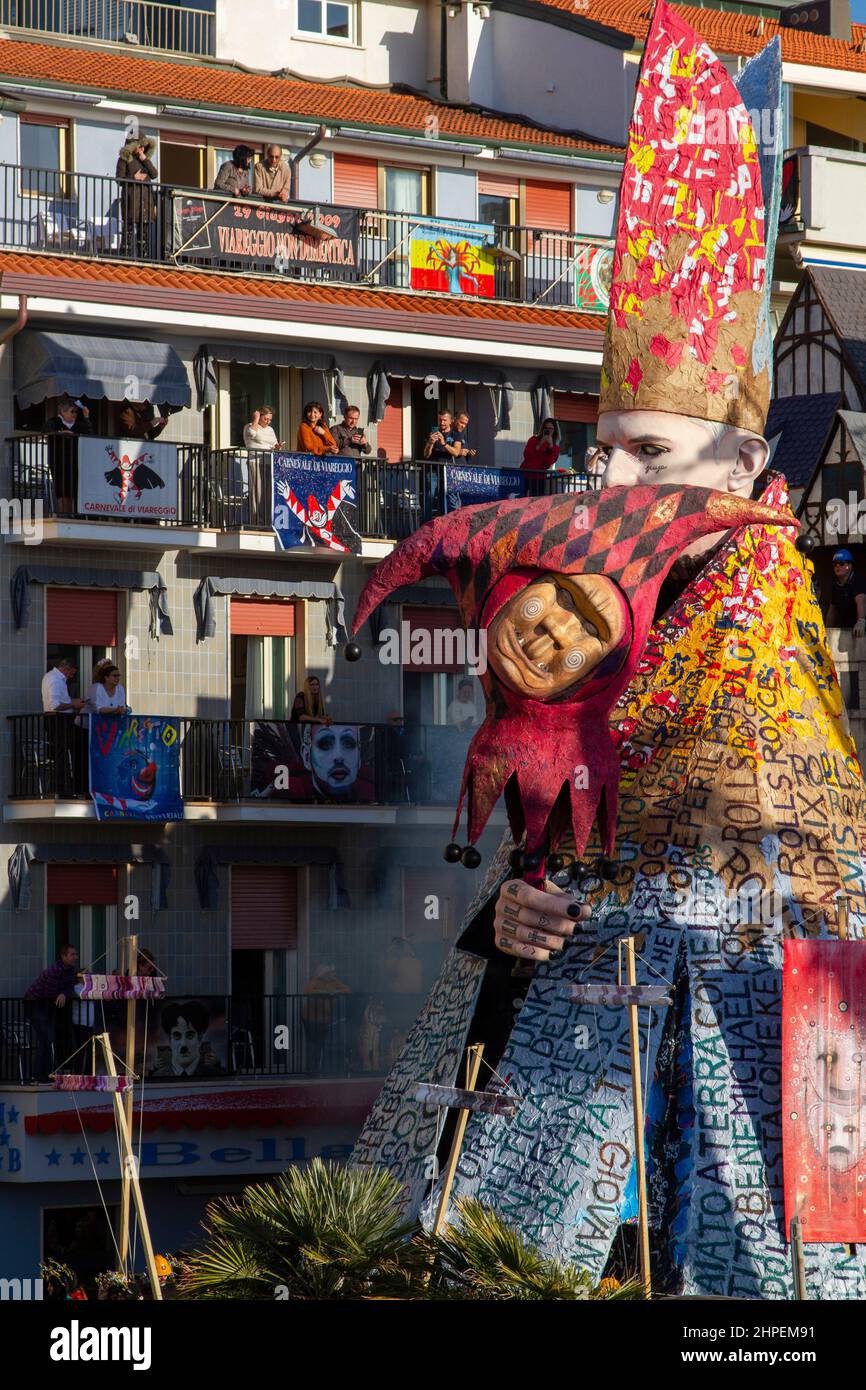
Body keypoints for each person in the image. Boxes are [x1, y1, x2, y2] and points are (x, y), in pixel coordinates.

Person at [24, 944, 79, 1082]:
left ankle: (46, 1074)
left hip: (49, 1005)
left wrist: (64, 994)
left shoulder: (71, 970)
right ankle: (39, 1075)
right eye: (72, 954)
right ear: (63, 956)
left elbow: (70, 986)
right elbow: (49, 993)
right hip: (35, 1003)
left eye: (75, 954)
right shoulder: (55, 971)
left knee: (49, 1039)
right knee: (45, 1039)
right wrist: (60, 994)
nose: (75, 957)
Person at [302, 963, 350, 1073]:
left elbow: (347, 990)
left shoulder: (334, 982)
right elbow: (307, 990)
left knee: (320, 1044)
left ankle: (318, 1069)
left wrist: (336, 992)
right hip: (310, 1018)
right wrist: (322, 991)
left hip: (324, 1019)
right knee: (312, 1044)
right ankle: (311, 1069)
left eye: (333, 972)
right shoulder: (316, 980)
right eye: (329, 972)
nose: (332, 974)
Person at [116, 135, 159, 258]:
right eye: (139, 146)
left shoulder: (144, 161)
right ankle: (125, 256)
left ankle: (143, 258)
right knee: (128, 230)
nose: (142, 149)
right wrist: (133, 178)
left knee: (143, 234)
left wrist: (145, 159)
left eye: (143, 147)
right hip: (131, 200)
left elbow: (154, 174)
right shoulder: (124, 160)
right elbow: (119, 179)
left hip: (145, 201)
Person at [825, 548, 866, 637]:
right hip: (845, 629)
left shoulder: (857, 580)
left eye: (841, 563)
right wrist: (827, 630)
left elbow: (861, 601)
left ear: (850, 566)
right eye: (835, 564)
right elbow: (832, 610)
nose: (837, 567)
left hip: (860, 630)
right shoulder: (836, 585)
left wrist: (861, 621)